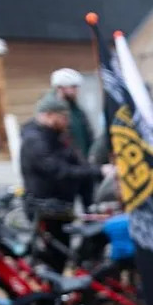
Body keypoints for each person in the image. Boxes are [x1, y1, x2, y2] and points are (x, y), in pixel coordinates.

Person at [19, 94, 105, 272]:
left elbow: (75, 160)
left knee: (68, 249)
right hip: (46, 208)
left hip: (60, 205)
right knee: (56, 256)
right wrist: (97, 171)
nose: (67, 122)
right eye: (63, 117)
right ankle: (51, 295)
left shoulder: (56, 135)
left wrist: (93, 169)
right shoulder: (35, 141)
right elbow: (58, 170)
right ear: (49, 115)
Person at [49, 68, 95, 206]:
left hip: (83, 165)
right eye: (73, 87)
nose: (76, 91)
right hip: (67, 168)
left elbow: (87, 133)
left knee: (89, 203)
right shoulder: (53, 112)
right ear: (61, 88)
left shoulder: (77, 109)